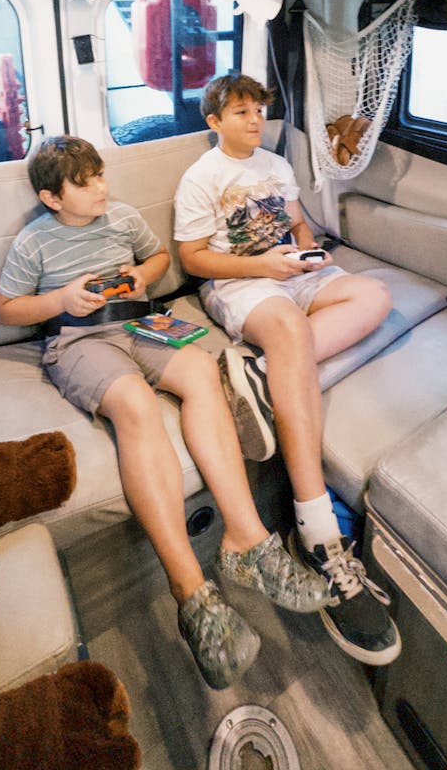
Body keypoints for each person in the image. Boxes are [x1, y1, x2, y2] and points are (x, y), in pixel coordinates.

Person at [0, 135, 329, 691]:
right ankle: (191, 592)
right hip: (78, 337)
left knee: (201, 371)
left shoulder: (122, 217)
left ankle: (246, 539)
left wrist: (143, 278)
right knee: (135, 403)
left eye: (102, 175)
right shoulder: (34, 242)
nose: (102, 187)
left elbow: (158, 257)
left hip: (140, 323)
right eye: (86, 182)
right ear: (52, 197)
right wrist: (60, 301)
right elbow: (7, 308)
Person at [174, 74, 401, 666]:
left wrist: (309, 254)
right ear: (214, 122)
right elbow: (193, 259)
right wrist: (264, 268)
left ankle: (259, 374)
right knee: (291, 332)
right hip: (240, 283)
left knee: (375, 295)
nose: (255, 119)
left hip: (293, 273)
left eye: (259, 110)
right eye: (241, 112)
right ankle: (318, 527)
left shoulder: (275, 164)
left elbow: (297, 224)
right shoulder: (202, 176)